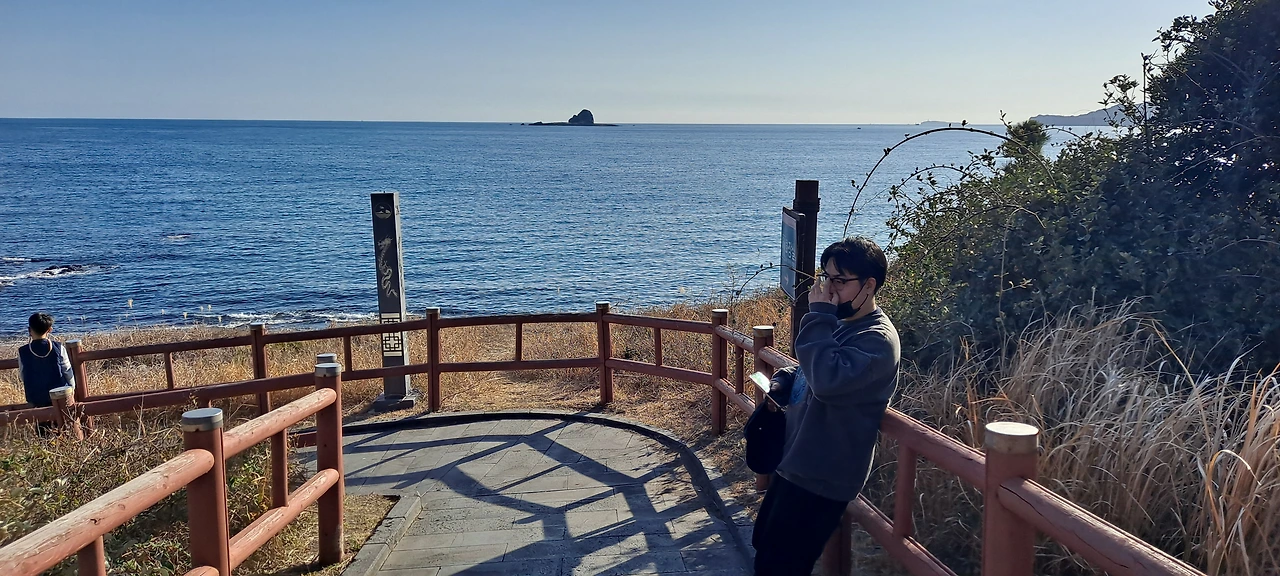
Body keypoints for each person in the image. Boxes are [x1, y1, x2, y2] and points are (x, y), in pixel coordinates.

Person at [752, 236, 901, 575]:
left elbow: (827, 381)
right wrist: (784, 379)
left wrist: (819, 315)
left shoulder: (876, 339)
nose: (829, 290)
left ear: (869, 285)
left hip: (821, 478)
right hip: (797, 464)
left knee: (781, 567)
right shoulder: (842, 324)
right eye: (826, 277)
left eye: (840, 281)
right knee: (765, 552)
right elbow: (809, 368)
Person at [17, 312, 76, 410]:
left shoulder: (23, 351)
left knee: (40, 418)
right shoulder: (58, 347)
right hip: (59, 394)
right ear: (49, 330)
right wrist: (72, 388)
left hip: (35, 396)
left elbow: (22, 375)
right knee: (63, 417)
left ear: (29, 330)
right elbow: (67, 371)